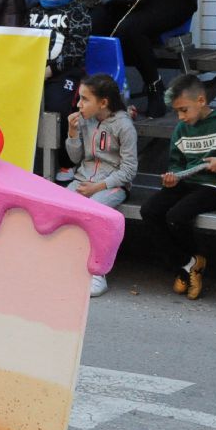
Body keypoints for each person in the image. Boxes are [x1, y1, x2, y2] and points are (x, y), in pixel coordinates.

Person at [140, 74, 216, 300]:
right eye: (177, 112)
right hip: (187, 182)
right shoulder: (181, 129)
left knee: (176, 216)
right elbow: (176, 164)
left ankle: (186, 268)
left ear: (201, 101)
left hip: (215, 186)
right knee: (149, 211)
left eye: (184, 110)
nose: (180, 116)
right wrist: (173, 177)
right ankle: (188, 264)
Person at [65, 73, 137, 297]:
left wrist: (97, 188)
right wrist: (72, 133)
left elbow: (129, 170)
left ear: (103, 102)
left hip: (111, 185)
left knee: (94, 214)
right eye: (80, 98)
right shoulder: (85, 121)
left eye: (85, 99)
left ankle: (97, 273)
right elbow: (76, 158)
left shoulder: (124, 126)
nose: (79, 104)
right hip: (83, 180)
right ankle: (66, 266)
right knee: (60, 208)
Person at [27, 0, 91, 124]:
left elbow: (75, 50)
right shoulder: (34, 10)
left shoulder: (77, 12)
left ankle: (64, 150)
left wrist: (50, 70)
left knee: (55, 107)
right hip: (32, 71)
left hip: (64, 74)